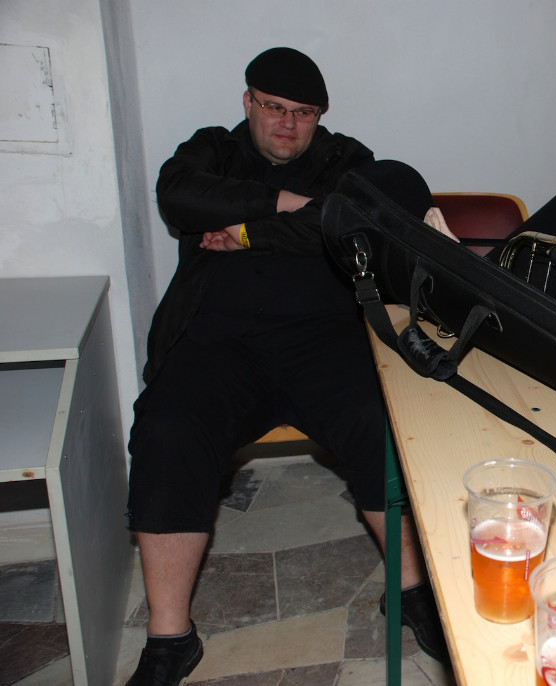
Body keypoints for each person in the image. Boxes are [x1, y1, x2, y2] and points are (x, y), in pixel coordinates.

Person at [125, 47, 454, 685]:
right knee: (167, 430)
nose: (287, 124)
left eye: (303, 112)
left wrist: (246, 229)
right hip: (217, 343)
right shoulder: (212, 150)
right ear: (248, 102)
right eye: (274, 107)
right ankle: (169, 637)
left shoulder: (346, 159)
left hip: (325, 340)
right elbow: (181, 196)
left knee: (382, 425)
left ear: (320, 116)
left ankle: (411, 588)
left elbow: (353, 225)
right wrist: (287, 202)